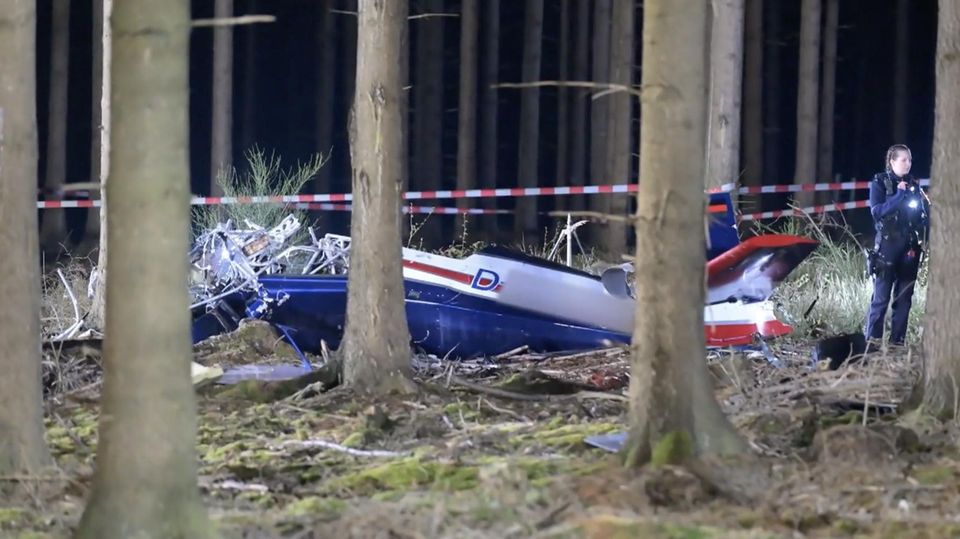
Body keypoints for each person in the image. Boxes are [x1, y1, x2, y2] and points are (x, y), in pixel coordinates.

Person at [864, 144, 930, 347]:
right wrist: (898, 196)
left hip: (909, 248)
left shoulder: (914, 185)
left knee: (904, 299)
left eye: (910, 160)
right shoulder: (880, 182)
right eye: (903, 160)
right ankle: (873, 343)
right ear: (892, 162)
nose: (908, 164)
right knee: (881, 298)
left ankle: (897, 343)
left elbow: (922, 215)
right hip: (887, 247)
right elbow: (877, 211)